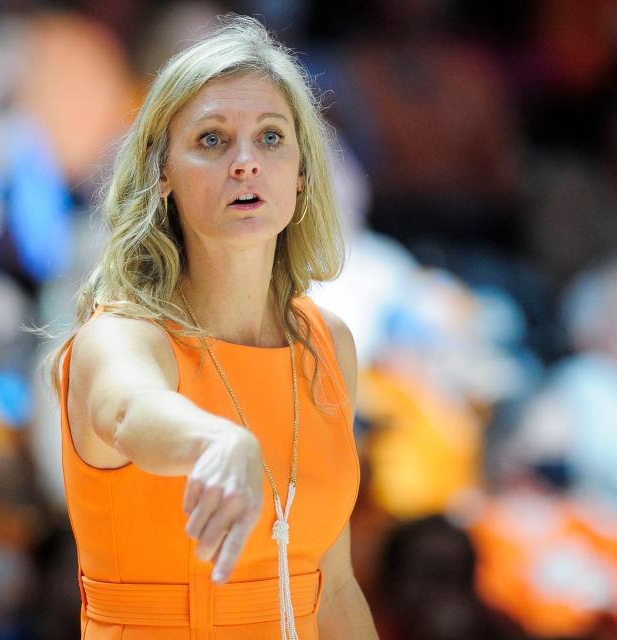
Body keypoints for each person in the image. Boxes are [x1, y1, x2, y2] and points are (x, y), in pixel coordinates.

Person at [52, 16, 378, 639]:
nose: (246, 163)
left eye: (271, 138)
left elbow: (333, 588)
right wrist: (217, 443)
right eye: (211, 140)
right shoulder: (122, 335)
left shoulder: (328, 344)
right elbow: (130, 411)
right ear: (162, 174)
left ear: (303, 172)